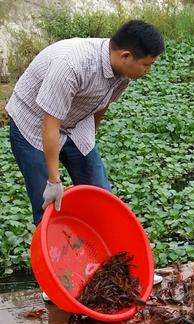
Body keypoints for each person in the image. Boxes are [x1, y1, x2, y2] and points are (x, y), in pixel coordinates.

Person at [5, 20, 165, 294]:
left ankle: (119, 269)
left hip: (75, 123)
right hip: (34, 124)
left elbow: (100, 106)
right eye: (147, 65)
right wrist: (54, 180)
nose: (148, 71)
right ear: (126, 56)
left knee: (102, 196)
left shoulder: (123, 73)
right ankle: (57, 281)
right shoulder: (73, 66)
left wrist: (88, 143)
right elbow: (50, 124)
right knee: (47, 207)